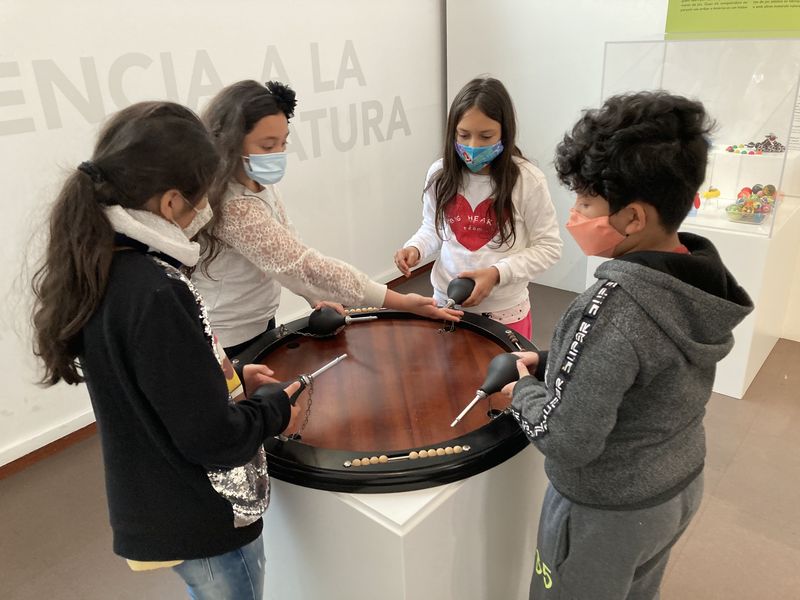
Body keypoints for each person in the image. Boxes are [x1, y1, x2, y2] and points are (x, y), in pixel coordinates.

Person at [31, 101, 302, 599]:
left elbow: (161, 381)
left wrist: (229, 378)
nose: (207, 211)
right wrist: (275, 409)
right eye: (203, 198)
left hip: (157, 503)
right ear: (173, 202)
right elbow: (212, 438)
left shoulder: (103, 264)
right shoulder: (156, 290)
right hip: (199, 519)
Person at [504, 91, 754, 600]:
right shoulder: (695, 283)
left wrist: (519, 391)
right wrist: (553, 364)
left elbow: (568, 441)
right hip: (675, 488)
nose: (574, 213)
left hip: (604, 511)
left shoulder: (610, 309)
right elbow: (645, 372)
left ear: (634, 218)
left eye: (585, 202)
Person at [191, 80, 460, 356]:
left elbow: (289, 245)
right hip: (228, 335)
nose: (278, 154)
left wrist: (314, 296)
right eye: (268, 145)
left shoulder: (258, 182)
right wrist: (400, 302)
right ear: (230, 143)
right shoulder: (233, 206)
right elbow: (301, 265)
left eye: (283, 142)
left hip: (259, 318)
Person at [394, 76, 562, 340]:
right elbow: (434, 228)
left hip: (504, 311)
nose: (473, 146)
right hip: (445, 303)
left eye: (486, 136)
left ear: (505, 133)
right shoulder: (440, 174)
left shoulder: (527, 180)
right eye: (463, 135)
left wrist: (497, 274)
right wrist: (415, 248)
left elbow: (549, 247)